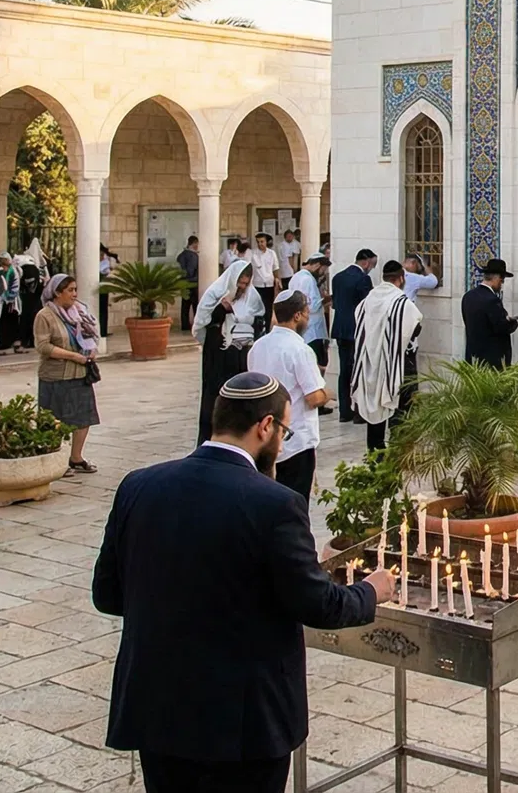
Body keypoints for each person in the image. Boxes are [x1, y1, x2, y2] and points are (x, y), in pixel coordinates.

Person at [94, 372, 393, 793]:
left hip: (158, 709)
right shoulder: (275, 504)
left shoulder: (139, 486)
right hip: (241, 722)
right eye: (284, 430)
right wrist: (370, 590)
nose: (283, 443)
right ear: (265, 427)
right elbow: (316, 604)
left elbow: (107, 594)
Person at [246, 291, 329, 502]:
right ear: (297, 316)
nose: (308, 319)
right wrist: (327, 393)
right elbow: (314, 398)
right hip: (296, 442)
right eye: (307, 313)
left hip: (264, 439)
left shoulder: (258, 347)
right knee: (294, 503)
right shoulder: (300, 350)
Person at [36, 273, 103, 475]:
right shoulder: (45, 316)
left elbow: (91, 335)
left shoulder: (79, 311)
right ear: (57, 293)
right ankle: (54, 459)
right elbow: (43, 346)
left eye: (75, 289)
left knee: (83, 416)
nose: (75, 294)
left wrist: (91, 350)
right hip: (56, 376)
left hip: (80, 373)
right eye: (70, 290)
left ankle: (76, 458)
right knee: (54, 419)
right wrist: (73, 356)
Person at [353, 261, 423, 451]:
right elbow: (415, 327)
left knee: (375, 415)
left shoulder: (368, 301)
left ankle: (376, 459)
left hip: (371, 364)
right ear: (401, 279)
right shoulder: (401, 302)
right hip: (399, 365)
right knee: (400, 416)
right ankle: (397, 458)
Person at [194, 259, 265, 445]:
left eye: (245, 283)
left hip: (242, 355)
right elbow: (203, 322)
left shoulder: (252, 296)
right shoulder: (215, 294)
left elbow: (259, 319)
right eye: (239, 283)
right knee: (216, 398)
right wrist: (222, 309)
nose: (242, 287)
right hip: (219, 354)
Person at [329, 249, 377, 424]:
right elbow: (368, 306)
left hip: (341, 330)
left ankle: (344, 410)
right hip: (357, 330)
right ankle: (358, 411)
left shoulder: (337, 277)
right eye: (372, 265)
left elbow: (335, 304)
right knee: (360, 371)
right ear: (365, 262)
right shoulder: (363, 279)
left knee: (345, 371)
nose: (371, 269)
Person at [287, 254, 332, 413]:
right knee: (319, 364)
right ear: (318, 265)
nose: (322, 273)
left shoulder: (296, 277)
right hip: (313, 329)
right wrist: (327, 299)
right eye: (323, 270)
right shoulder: (308, 279)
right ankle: (318, 400)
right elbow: (312, 305)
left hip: (304, 329)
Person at [462, 258, 518, 365]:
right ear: (497, 278)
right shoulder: (492, 300)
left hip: (473, 357)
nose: (501, 285)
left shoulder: (468, 297)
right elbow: (500, 327)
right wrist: (512, 323)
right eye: (502, 281)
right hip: (491, 360)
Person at [0, 254, 23, 353]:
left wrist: (9, 297)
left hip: (12, 302)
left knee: (13, 322)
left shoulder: (13, 271)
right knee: (5, 322)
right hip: (3, 302)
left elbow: (15, 286)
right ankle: (5, 343)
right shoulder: (1, 272)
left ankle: (14, 343)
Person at [176, 236, 200, 331]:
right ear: (194, 243)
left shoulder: (181, 255)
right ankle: (197, 325)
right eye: (197, 244)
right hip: (193, 283)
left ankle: (185, 325)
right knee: (195, 305)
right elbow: (191, 270)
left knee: (185, 306)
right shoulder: (193, 256)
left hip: (184, 283)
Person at [250, 235, 279, 307]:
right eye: (258, 242)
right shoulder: (253, 254)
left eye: (262, 241)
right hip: (257, 284)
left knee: (268, 306)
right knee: (257, 306)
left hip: (269, 284)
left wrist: (277, 280)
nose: (260, 244)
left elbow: (275, 268)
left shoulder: (272, 253)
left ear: (266, 242)